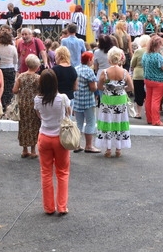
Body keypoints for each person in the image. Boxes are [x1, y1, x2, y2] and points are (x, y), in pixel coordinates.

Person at [33, 69, 72, 216]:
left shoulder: (37, 99)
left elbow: (39, 115)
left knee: (46, 172)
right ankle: (62, 206)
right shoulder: (62, 98)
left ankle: (49, 207)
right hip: (60, 138)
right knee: (62, 172)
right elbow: (68, 112)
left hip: (44, 136)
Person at [97, 47, 133, 158]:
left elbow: (99, 86)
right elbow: (131, 87)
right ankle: (118, 149)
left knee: (108, 122)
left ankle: (108, 149)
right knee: (119, 122)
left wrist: (109, 90)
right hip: (120, 99)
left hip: (108, 99)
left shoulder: (105, 72)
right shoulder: (124, 72)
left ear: (109, 59)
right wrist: (121, 90)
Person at [13, 54, 42, 158]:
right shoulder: (38, 78)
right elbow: (41, 91)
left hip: (23, 103)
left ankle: (24, 150)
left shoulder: (21, 76)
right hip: (34, 104)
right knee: (34, 126)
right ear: (36, 66)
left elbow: (15, 90)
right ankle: (33, 150)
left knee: (23, 126)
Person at [73, 51, 100, 152]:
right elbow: (93, 88)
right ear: (89, 60)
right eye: (92, 59)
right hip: (87, 100)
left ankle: (76, 144)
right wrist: (97, 87)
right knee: (90, 122)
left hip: (77, 100)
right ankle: (89, 145)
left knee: (78, 123)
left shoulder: (76, 69)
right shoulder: (89, 71)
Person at [141, 36, 163, 126]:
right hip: (158, 81)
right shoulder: (158, 56)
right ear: (158, 45)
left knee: (148, 100)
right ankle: (156, 120)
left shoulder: (145, 55)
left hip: (147, 79)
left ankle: (149, 119)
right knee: (156, 101)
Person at [0, 30, 17, 111]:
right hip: (9, 69)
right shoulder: (12, 48)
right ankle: (8, 107)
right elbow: (15, 60)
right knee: (9, 89)